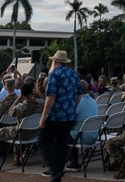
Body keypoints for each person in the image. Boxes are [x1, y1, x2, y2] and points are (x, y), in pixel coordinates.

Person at [38, 50, 81, 182]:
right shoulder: (74, 74)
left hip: (57, 115)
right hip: (69, 115)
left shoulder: (54, 75)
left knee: (43, 141)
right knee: (61, 144)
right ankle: (56, 175)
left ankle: (54, 168)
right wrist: (72, 108)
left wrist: (43, 116)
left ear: (54, 61)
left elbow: (51, 97)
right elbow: (79, 95)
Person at [0, 82, 43, 170]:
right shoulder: (41, 103)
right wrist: (40, 95)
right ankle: (16, 158)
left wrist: (18, 99)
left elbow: (10, 112)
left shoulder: (21, 107)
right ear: (32, 92)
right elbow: (44, 101)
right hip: (35, 133)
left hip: (21, 134)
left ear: (22, 94)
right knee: (17, 128)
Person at [65, 80, 100, 171]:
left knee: (62, 134)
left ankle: (72, 162)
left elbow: (69, 121)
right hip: (94, 135)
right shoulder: (94, 101)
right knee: (74, 131)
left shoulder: (76, 104)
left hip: (82, 137)